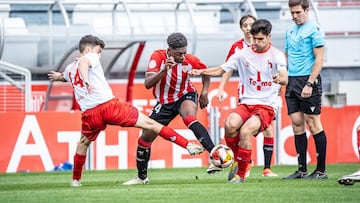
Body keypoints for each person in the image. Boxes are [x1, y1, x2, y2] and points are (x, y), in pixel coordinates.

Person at [47, 35, 204, 187]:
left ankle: (75, 180)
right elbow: (84, 63)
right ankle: (187, 145)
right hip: (109, 106)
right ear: (88, 49)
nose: (99, 55)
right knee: (151, 124)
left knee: (83, 143)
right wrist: (87, 81)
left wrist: (58, 76)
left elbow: (65, 76)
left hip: (90, 114)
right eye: (98, 51)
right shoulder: (90, 57)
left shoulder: (69, 69)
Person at [191, 19, 288, 183]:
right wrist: (200, 71)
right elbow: (222, 69)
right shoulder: (243, 53)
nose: (256, 43)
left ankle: (241, 175)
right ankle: (238, 160)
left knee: (245, 131)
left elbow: (285, 76)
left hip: (267, 105)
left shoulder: (276, 55)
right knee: (230, 124)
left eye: (260, 39)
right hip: (247, 102)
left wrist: (280, 79)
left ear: (269, 36)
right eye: (254, 39)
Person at [123, 32, 217, 185]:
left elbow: (205, 72)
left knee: (189, 117)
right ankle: (142, 177)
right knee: (145, 138)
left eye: (184, 52)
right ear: (170, 50)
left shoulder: (190, 60)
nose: (183, 56)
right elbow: (147, 83)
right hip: (164, 102)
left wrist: (205, 92)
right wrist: (164, 70)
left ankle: (215, 156)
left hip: (185, 95)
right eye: (179, 53)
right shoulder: (158, 57)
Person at [225, 14, 278, 178]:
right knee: (241, 130)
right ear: (241, 28)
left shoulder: (269, 48)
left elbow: (276, 70)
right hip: (246, 95)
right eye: (245, 25)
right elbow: (227, 68)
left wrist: (279, 84)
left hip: (266, 96)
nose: (248, 28)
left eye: (251, 24)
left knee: (268, 129)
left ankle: (266, 168)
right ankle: (244, 162)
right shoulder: (237, 48)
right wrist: (221, 87)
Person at [283, 0, 328, 179]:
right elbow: (287, 55)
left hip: (308, 80)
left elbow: (319, 59)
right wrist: (284, 76)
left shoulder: (315, 29)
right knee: (296, 123)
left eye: (297, 12)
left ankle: (321, 170)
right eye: (292, 13)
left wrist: (310, 83)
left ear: (306, 10)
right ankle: (301, 169)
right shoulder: (290, 30)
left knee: (313, 122)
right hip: (292, 81)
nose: (294, 16)